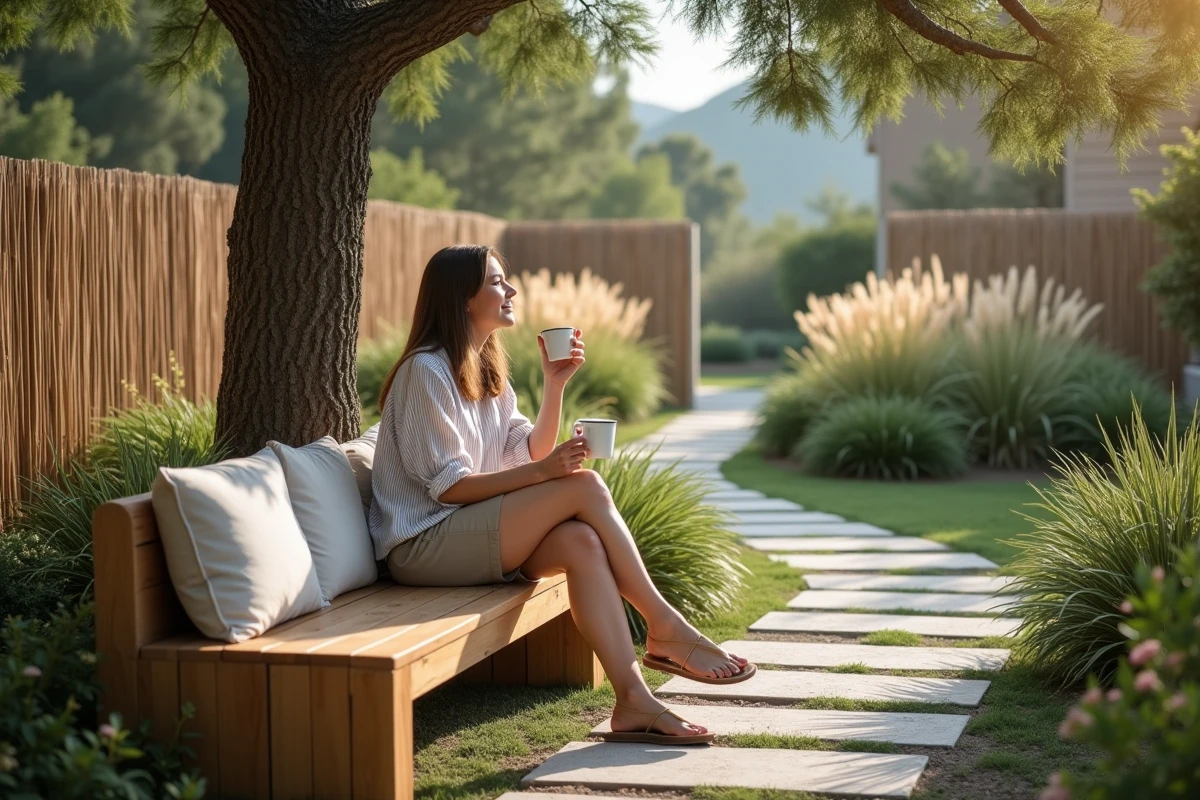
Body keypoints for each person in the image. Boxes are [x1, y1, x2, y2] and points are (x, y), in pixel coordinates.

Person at [369, 244, 755, 745]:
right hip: (422, 546)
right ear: (461, 297)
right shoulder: (426, 371)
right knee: (586, 485)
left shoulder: (485, 370)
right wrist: (545, 473)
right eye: (495, 281)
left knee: (581, 542)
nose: (510, 290)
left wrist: (554, 387)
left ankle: (633, 700)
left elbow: (525, 452)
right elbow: (451, 488)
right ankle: (665, 627)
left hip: (467, 534)